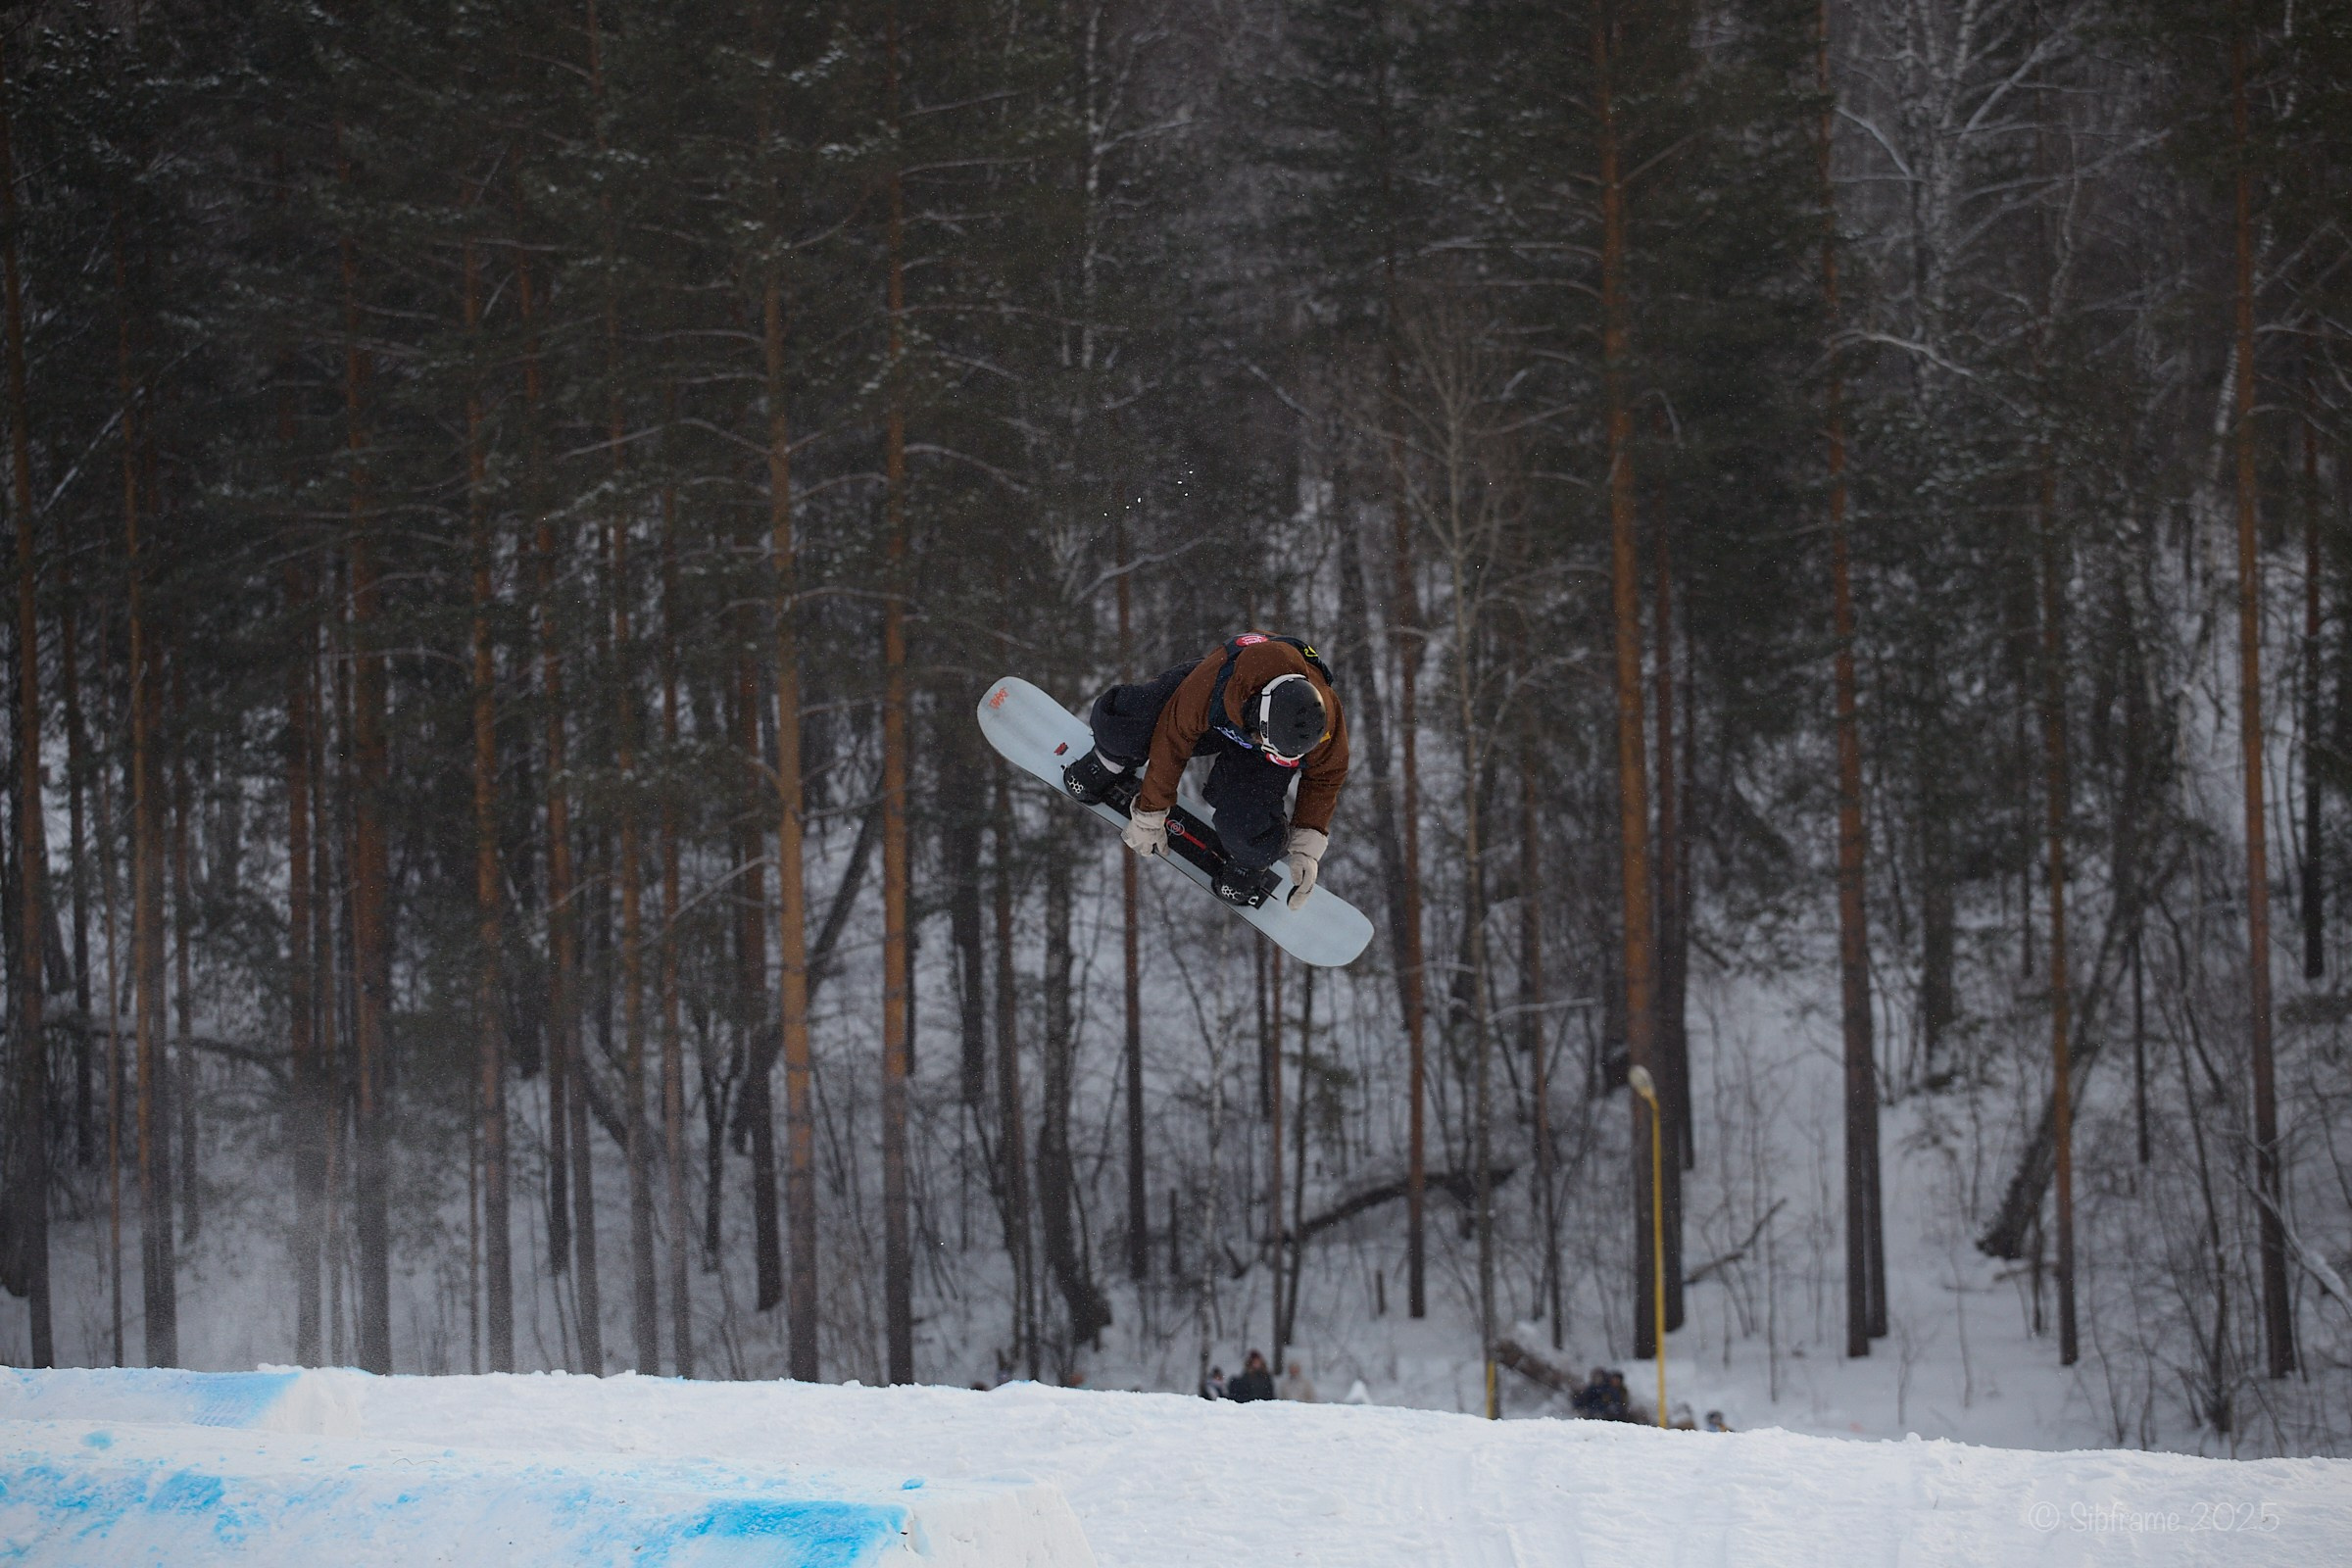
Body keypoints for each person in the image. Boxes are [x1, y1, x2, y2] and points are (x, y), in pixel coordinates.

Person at [1062, 633, 1348, 908]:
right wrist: (1150, 812)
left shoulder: (1321, 718)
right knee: (1126, 726)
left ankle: (1250, 859)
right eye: (1266, 743)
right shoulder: (1210, 685)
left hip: (1253, 746)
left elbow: (1327, 774)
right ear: (1256, 721)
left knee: (1248, 829)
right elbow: (1171, 739)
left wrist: (1306, 846)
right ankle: (1109, 761)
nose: (1267, 749)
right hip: (1219, 713)